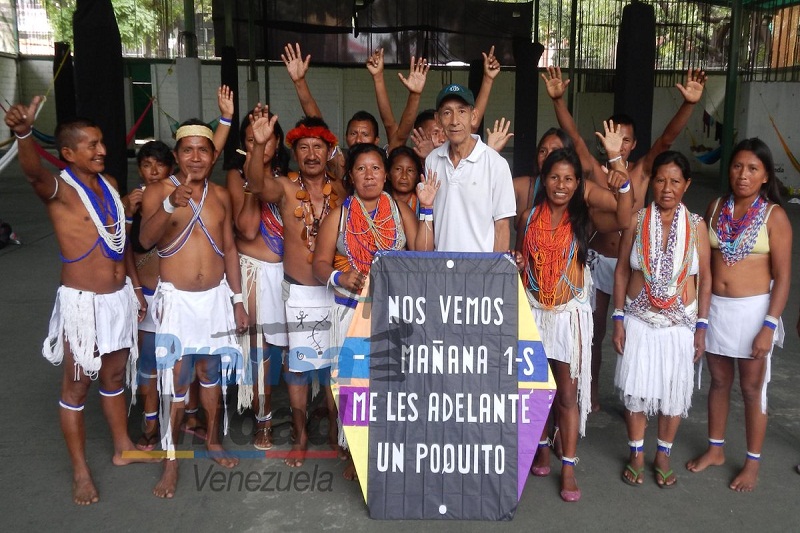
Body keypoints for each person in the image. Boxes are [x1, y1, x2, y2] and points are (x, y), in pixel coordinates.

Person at [5, 97, 153, 505]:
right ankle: (80, 471)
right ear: (67, 153)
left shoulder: (108, 185)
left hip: (118, 298)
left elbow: (118, 241)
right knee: (76, 386)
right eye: (90, 145)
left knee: (113, 377)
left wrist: (136, 289)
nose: (102, 150)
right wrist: (23, 134)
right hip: (83, 304)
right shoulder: (59, 188)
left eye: (102, 142)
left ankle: (122, 448)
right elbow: (33, 172)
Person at [543, 66, 707, 412]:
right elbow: (574, 137)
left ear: (633, 144)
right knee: (594, 332)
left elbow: (666, 139)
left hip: (635, 268)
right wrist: (557, 100)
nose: (619, 143)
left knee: (633, 334)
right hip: (600, 261)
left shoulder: (643, 172)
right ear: (603, 138)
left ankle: (633, 396)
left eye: (626, 139)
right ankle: (591, 392)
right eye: (612, 136)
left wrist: (689, 105)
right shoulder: (593, 169)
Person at [312, 143, 439, 479]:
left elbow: (424, 254)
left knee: (390, 384)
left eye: (375, 168)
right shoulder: (338, 215)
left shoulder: (399, 209)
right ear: (350, 176)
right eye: (361, 169)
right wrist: (339, 275)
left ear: (385, 174)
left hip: (392, 313)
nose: (369, 176)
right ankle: (355, 448)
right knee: (355, 385)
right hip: (350, 312)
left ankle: (387, 446)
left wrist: (425, 209)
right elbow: (319, 263)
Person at [139, 120, 248, 499]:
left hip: (216, 298)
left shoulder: (219, 194)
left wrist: (237, 301)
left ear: (212, 156)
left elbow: (230, 249)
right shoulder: (158, 192)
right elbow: (144, 240)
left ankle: (214, 440)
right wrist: (170, 204)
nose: (196, 157)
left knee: (210, 372)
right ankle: (171, 460)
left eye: (204, 150)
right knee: (176, 379)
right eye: (188, 150)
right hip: (178, 301)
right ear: (177, 156)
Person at [517, 144, 632, 503]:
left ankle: (567, 464)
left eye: (568, 178)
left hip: (569, 317)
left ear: (578, 183)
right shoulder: (528, 218)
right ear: (544, 180)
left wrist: (623, 185)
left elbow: (626, 219)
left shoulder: (586, 220)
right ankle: (539, 447)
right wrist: (520, 263)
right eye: (554, 177)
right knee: (536, 390)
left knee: (567, 395)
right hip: (535, 311)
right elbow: (525, 264)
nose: (561, 185)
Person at [686, 138, 791, 492]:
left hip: (754, 312)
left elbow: (784, 277)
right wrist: (701, 315)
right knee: (718, 381)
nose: (743, 175)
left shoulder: (775, 216)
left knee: (751, 388)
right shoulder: (716, 208)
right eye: (737, 167)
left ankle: (751, 462)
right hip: (717, 308)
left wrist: (768, 326)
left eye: (752, 169)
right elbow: (703, 265)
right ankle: (716, 449)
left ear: (764, 176)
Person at [246, 113, 348, 468]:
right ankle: (300, 436)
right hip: (301, 291)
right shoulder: (285, 188)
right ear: (295, 152)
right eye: (303, 147)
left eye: (317, 146)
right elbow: (256, 186)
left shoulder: (342, 191)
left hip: (337, 291)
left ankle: (338, 431)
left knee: (337, 365)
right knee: (299, 368)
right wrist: (259, 144)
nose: (310, 154)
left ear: (328, 150)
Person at [612, 151, 712, 488]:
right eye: (660, 180)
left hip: (680, 321)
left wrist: (702, 327)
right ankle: (637, 453)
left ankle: (663, 453)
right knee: (637, 388)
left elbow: (707, 279)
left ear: (687, 185)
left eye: (674, 181)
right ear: (652, 182)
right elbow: (623, 269)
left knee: (673, 391)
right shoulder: (638, 220)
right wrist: (618, 318)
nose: (666, 188)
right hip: (639, 316)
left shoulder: (697, 226)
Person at [226, 107, 289, 450]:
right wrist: (252, 176)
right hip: (253, 271)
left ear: (276, 143)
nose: (259, 145)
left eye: (265, 140)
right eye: (251, 141)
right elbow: (248, 228)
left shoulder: (287, 178)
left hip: (287, 274)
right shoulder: (236, 178)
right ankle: (263, 418)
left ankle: (303, 413)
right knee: (260, 351)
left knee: (294, 348)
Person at [123, 140, 175, 451]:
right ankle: (151, 422)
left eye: (159, 164)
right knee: (149, 364)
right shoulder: (133, 202)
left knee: (184, 358)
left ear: (171, 167)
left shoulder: (181, 197)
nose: (153, 171)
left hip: (176, 292)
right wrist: (137, 289)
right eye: (146, 164)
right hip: (146, 292)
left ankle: (189, 416)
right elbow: (123, 250)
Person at [425, 83, 515, 252]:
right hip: (442, 267)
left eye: (461, 111)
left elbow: (502, 228)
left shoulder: (496, 164)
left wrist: (493, 274)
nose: (454, 121)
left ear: (473, 116)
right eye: (447, 113)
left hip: (480, 270)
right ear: (438, 119)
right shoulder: (432, 160)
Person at [512, 128, 574, 227]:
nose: (547, 156)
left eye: (555, 151)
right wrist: (492, 151)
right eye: (542, 151)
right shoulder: (521, 187)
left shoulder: (580, 188)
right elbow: (483, 198)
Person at [386, 145, 424, 215]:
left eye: (410, 170)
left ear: (417, 176)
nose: (404, 176)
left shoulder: (423, 204)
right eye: (398, 169)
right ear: (388, 174)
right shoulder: (379, 203)